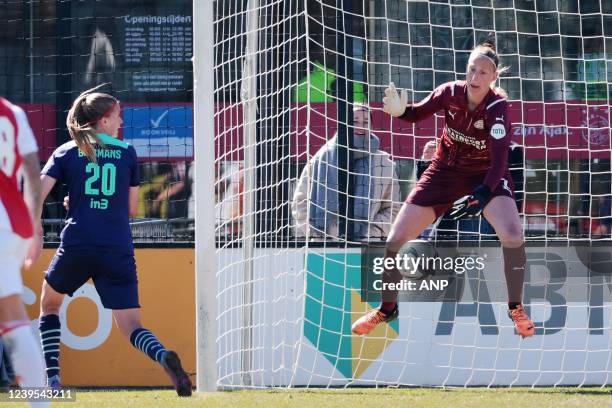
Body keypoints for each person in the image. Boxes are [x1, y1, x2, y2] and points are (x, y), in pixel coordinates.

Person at [351, 35, 535, 338]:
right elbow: (416, 114)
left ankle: (515, 308)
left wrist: (484, 192)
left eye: (482, 72)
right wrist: (400, 111)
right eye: (471, 70)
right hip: (443, 171)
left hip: (485, 175)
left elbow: (501, 159)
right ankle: (386, 310)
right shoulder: (449, 92)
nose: (474, 77)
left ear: (494, 77)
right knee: (396, 239)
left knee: (513, 235)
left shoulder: (498, 108)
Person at [36, 85, 192, 396]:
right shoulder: (127, 152)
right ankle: (163, 355)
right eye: (118, 117)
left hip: (78, 242)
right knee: (131, 325)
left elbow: (37, 195)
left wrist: (48, 221)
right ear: (104, 120)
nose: (121, 123)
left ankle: (52, 380)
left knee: (49, 306)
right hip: (117, 246)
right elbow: (130, 209)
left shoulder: (66, 151)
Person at [0, 97, 48, 407]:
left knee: (13, 316)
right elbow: (32, 171)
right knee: (12, 317)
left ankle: (40, 404)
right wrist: (34, 227)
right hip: (10, 223)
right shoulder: (13, 113)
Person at [292, 104, 401, 240]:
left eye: (365, 122)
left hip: (367, 246)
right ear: (343, 124)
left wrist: (369, 231)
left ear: (371, 127)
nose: (360, 126)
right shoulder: (320, 160)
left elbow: (393, 210)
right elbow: (300, 203)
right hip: (324, 246)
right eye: (354, 121)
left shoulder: (385, 165)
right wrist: (317, 232)